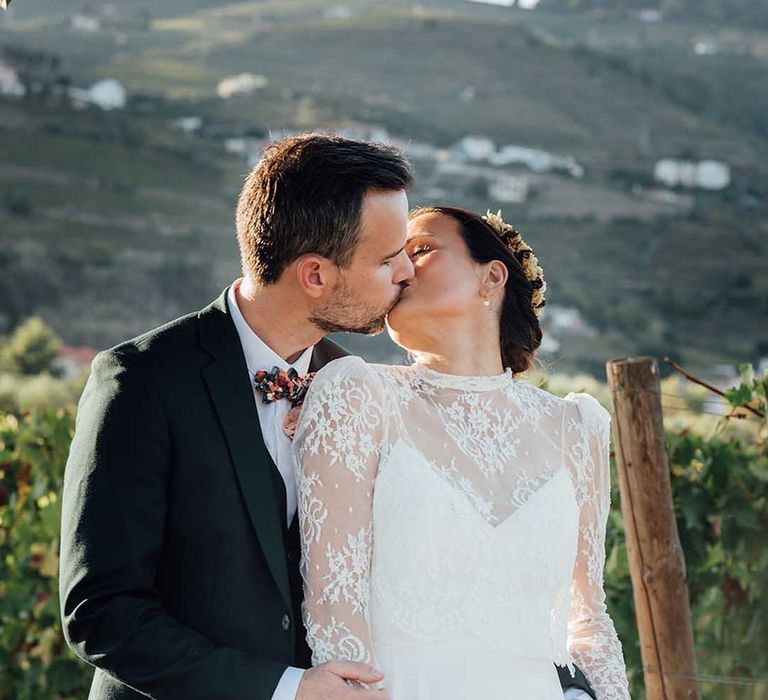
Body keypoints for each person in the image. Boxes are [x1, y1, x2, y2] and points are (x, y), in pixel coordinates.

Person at [292, 206, 632, 699]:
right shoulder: (357, 396)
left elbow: (588, 618)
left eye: (422, 251)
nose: (402, 270)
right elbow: (334, 605)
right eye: (393, 260)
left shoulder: (574, 428)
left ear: (491, 277)